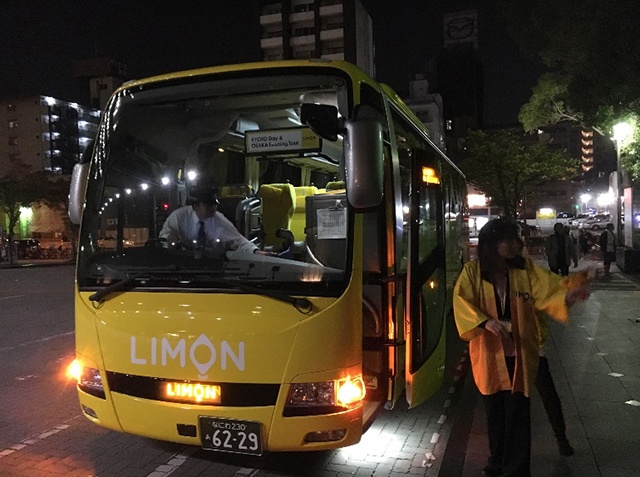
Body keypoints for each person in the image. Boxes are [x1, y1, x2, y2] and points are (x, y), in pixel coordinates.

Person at [453, 218, 590, 477]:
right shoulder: (472, 272)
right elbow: (461, 302)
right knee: (495, 414)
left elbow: (549, 290)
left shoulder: (525, 270)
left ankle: (516, 471)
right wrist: (484, 322)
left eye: (516, 239)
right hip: (490, 355)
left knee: (517, 415)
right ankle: (496, 464)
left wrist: (571, 294)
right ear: (492, 244)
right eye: (508, 240)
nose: (516, 245)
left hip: (521, 353)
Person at [160, 186, 262, 255]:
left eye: (214, 205)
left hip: (213, 265)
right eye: (208, 205)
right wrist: (169, 238)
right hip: (184, 262)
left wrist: (255, 251)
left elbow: (239, 241)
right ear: (196, 206)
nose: (213, 208)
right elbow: (164, 235)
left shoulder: (219, 220)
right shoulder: (179, 217)